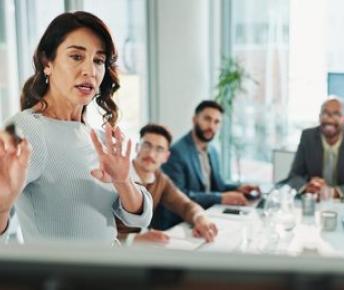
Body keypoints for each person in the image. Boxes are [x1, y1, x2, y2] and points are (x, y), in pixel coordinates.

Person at [0, 11, 152, 243]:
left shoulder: (98, 136)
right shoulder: (26, 130)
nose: (90, 71)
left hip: (109, 275)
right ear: (46, 63)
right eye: (76, 57)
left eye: (98, 60)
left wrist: (123, 181)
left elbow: (140, 218)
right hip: (63, 278)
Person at [159, 100, 259, 229]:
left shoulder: (213, 151)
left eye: (216, 122)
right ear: (195, 119)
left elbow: (218, 186)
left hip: (208, 215)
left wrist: (239, 188)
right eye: (207, 119)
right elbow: (180, 196)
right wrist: (220, 198)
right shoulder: (177, 152)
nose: (211, 126)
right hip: (180, 223)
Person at [117, 124, 218, 243]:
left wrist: (200, 218)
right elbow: (96, 227)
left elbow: (186, 205)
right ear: (137, 147)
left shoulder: (160, 179)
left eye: (159, 149)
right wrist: (133, 239)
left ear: (166, 157)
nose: (151, 154)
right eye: (146, 145)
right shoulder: (118, 175)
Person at [285, 97, 344, 199]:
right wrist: (308, 187)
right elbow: (294, 176)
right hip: (315, 202)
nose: (329, 118)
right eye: (325, 113)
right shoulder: (308, 137)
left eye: (336, 114)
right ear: (319, 117)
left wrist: (334, 192)